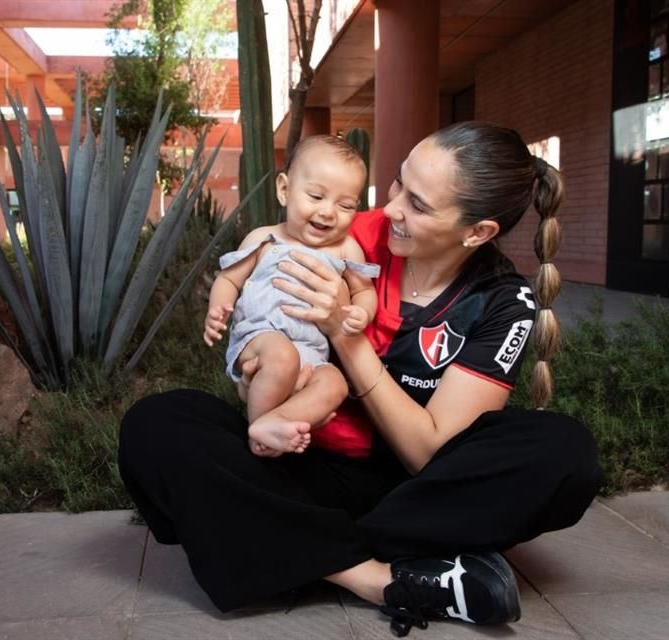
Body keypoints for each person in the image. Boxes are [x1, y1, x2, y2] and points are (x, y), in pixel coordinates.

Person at [118, 121, 601, 637]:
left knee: (565, 453)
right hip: (305, 461)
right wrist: (259, 375)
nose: (390, 208)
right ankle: (377, 577)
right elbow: (260, 322)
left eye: (418, 204)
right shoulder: (347, 233)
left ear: (477, 231)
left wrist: (344, 336)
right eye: (397, 183)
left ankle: (276, 540)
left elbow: (430, 453)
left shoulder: (503, 300)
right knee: (157, 425)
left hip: (417, 494)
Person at [203, 135, 380, 456]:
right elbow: (228, 279)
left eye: (345, 205)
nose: (328, 213)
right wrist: (219, 307)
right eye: (316, 196)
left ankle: (280, 421)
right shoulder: (265, 239)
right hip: (261, 337)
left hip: (311, 352)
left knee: (336, 384)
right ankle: (260, 430)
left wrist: (362, 312)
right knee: (282, 357)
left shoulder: (344, 248)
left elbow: (364, 290)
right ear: (284, 190)